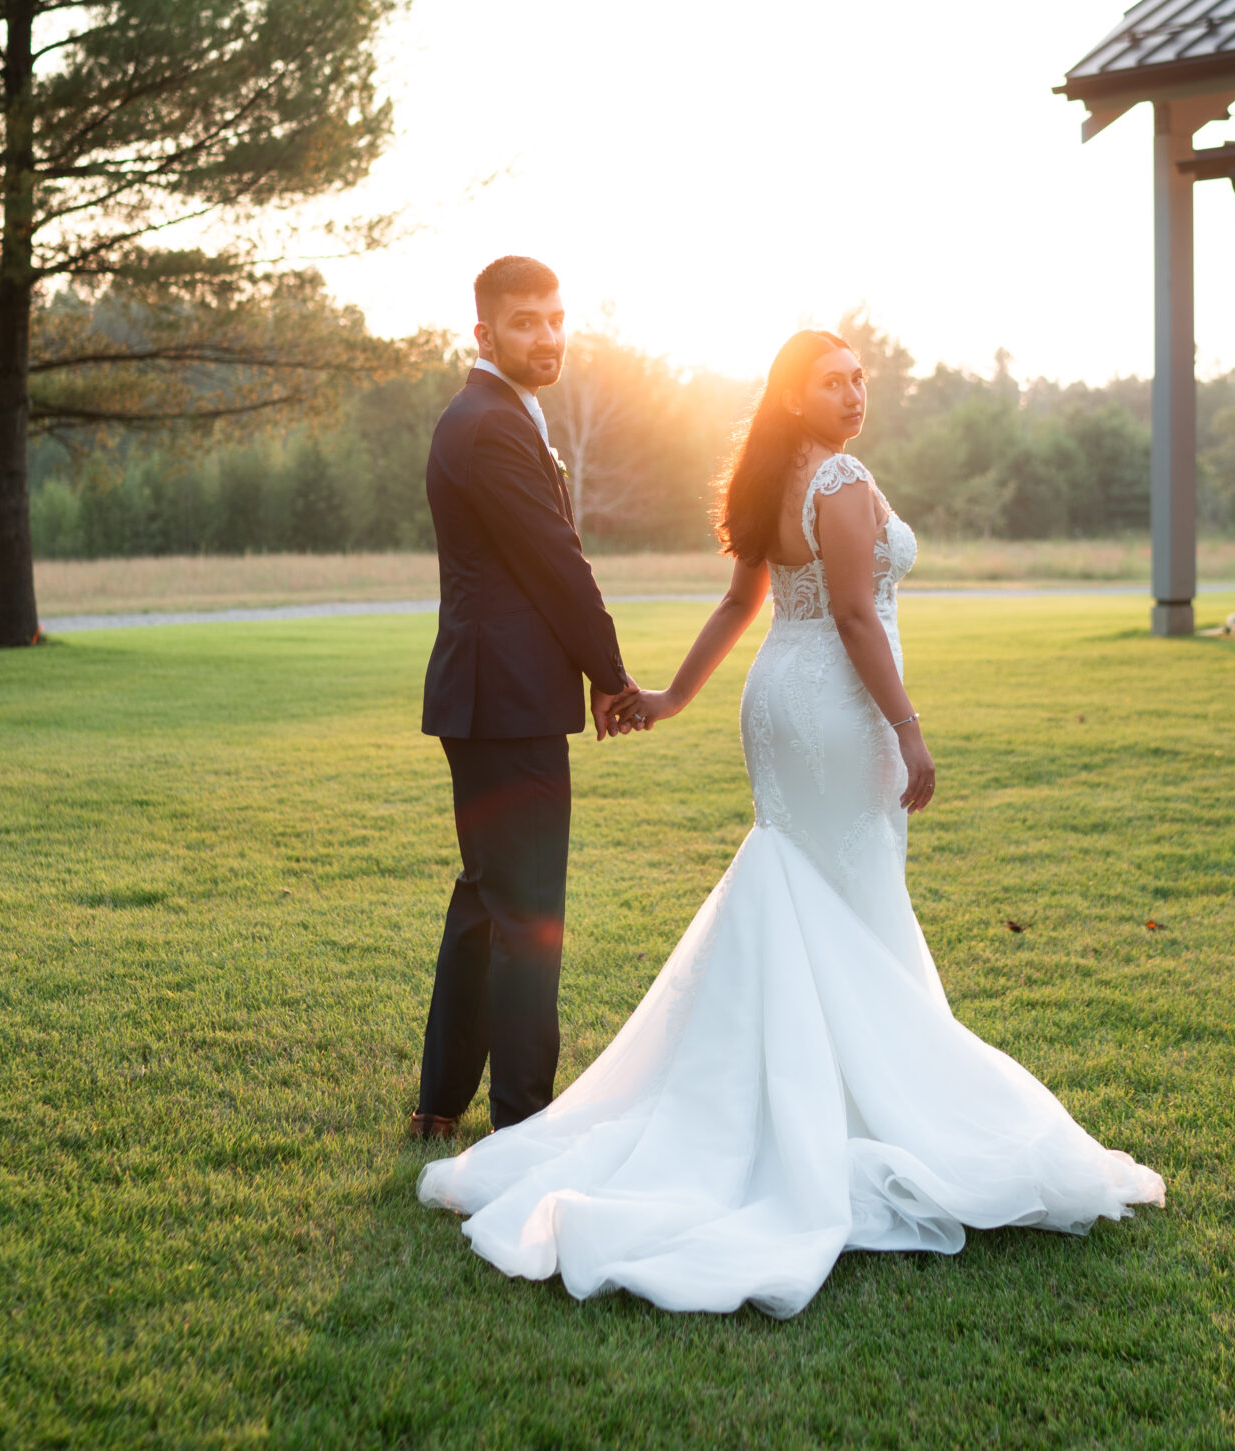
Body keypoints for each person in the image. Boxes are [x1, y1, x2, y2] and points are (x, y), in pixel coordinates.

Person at [416, 327, 1164, 1318]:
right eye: (831, 382)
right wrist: (909, 728)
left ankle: (806, 1096)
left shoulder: (772, 480)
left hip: (780, 700)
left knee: (807, 891)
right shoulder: (839, 480)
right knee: (851, 899)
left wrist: (674, 698)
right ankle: (861, 1105)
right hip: (837, 710)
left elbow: (741, 603)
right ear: (793, 394)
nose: (854, 394)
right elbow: (855, 616)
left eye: (861, 380)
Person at [410, 256, 644, 1144]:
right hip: (506, 704)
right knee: (529, 913)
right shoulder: (489, 426)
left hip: (490, 699)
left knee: (486, 896)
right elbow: (557, 563)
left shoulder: (496, 415)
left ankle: (440, 1103)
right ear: (483, 334)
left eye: (554, 318)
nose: (546, 336)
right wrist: (612, 675)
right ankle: (523, 1122)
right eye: (524, 323)